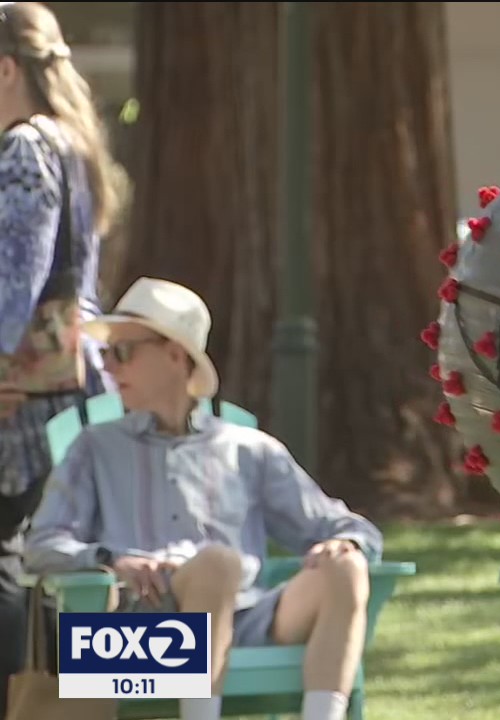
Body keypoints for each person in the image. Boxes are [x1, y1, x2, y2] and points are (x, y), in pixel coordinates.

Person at [22, 277, 383, 720]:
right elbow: (41, 545)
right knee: (218, 563)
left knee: (345, 564)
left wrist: (347, 545)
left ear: (175, 355)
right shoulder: (95, 448)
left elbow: (348, 527)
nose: (110, 369)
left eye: (123, 351)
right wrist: (112, 558)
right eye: (106, 355)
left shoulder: (249, 450)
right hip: (134, 634)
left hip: (248, 624)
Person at [0, 2, 122, 710]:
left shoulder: (22, 149)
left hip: (24, 398)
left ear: (8, 69)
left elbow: (13, 285)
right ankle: (75, 704)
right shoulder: (72, 145)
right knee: (53, 560)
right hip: (74, 386)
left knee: (9, 557)